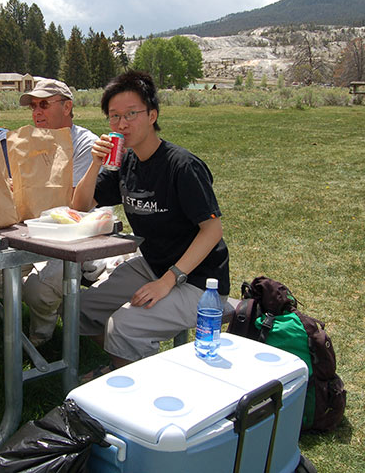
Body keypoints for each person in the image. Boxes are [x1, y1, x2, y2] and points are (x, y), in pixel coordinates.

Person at [72, 70, 235, 377]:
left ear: (152, 115)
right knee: (80, 308)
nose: (122, 124)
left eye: (131, 114)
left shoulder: (182, 166)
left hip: (198, 280)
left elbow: (212, 231)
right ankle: (124, 367)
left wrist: (168, 281)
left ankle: (136, 382)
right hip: (153, 264)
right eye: (114, 116)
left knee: (124, 324)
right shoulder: (125, 164)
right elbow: (79, 207)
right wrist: (95, 164)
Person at [17, 78, 100, 346]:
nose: (36, 111)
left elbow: (76, 205)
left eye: (43, 104)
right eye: (33, 106)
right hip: (36, 228)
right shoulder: (32, 143)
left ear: (67, 107)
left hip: (79, 234)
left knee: (38, 288)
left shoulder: (85, 143)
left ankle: (41, 338)